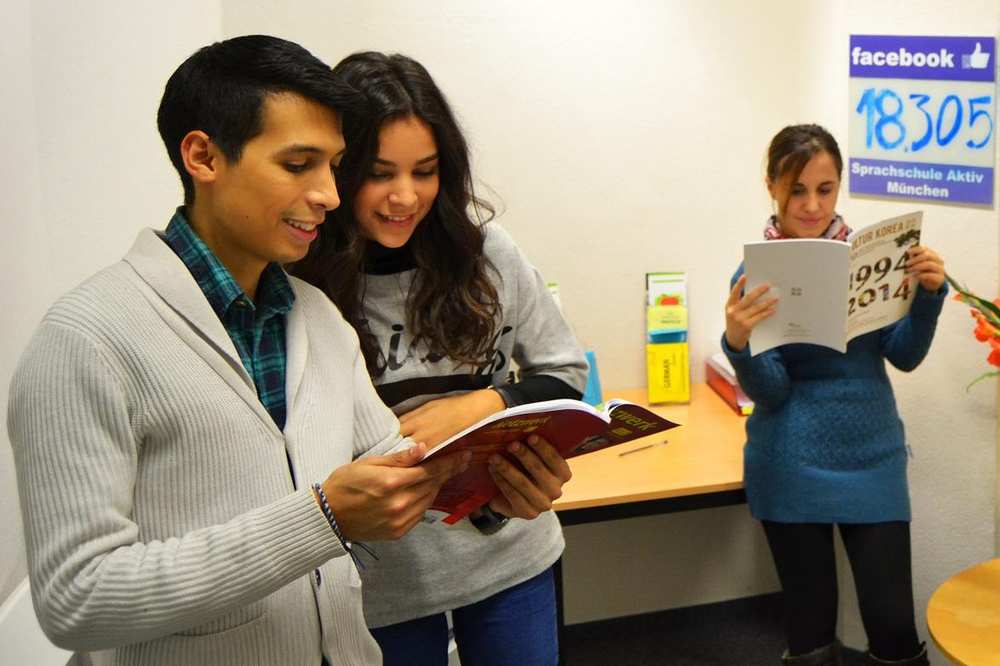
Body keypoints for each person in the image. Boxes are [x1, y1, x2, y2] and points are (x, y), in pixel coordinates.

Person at [5, 34, 556, 666]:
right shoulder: (87, 340)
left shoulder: (316, 318)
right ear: (203, 157)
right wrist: (321, 519)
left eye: (334, 166)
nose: (328, 194)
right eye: (299, 165)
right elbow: (77, 598)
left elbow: (393, 471)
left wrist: (490, 491)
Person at [291, 52, 588, 666]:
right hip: (380, 584)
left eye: (425, 171)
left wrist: (481, 405)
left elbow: (565, 375)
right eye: (380, 174)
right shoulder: (301, 281)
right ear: (340, 171)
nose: (406, 197)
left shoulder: (486, 255)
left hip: (511, 555)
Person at [722, 124, 944, 666]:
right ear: (772, 186)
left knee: (892, 624)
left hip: (873, 457)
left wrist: (929, 297)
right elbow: (771, 394)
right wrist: (738, 343)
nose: (812, 204)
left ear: (839, 186)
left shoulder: (869, 257)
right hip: (791, 459)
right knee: (810, 628)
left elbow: (904, 354)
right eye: (797, 189)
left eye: (825, 189)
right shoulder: (754, 274)